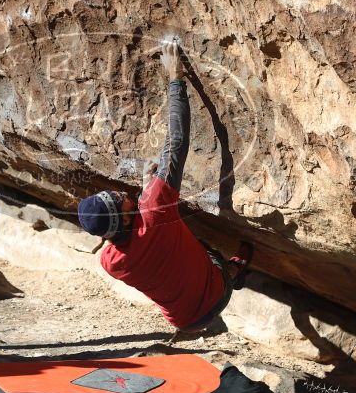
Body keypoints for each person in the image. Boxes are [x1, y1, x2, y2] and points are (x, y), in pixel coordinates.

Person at [77, 41, 252, 337]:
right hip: (216, 294)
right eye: (119, 201)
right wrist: (175, 77)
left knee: (176, 241)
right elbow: (177, 143)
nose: (121, 194)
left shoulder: (111, 263)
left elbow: (138, 234)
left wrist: (145, 196)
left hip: (183, 321)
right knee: (198, 243)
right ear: (127, 218)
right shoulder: (156, 210)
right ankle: (233, 272)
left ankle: (223, 277)